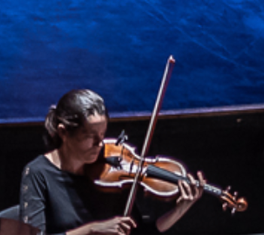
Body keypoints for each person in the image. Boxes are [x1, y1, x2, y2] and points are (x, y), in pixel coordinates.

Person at [24, 89, 205, 235]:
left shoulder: (111, 170)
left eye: (102, 134)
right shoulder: (38, 173)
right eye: (90, 136)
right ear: (63, 133)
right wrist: (91, 230)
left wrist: (180, 209)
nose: (100, 143)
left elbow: (139, 232)